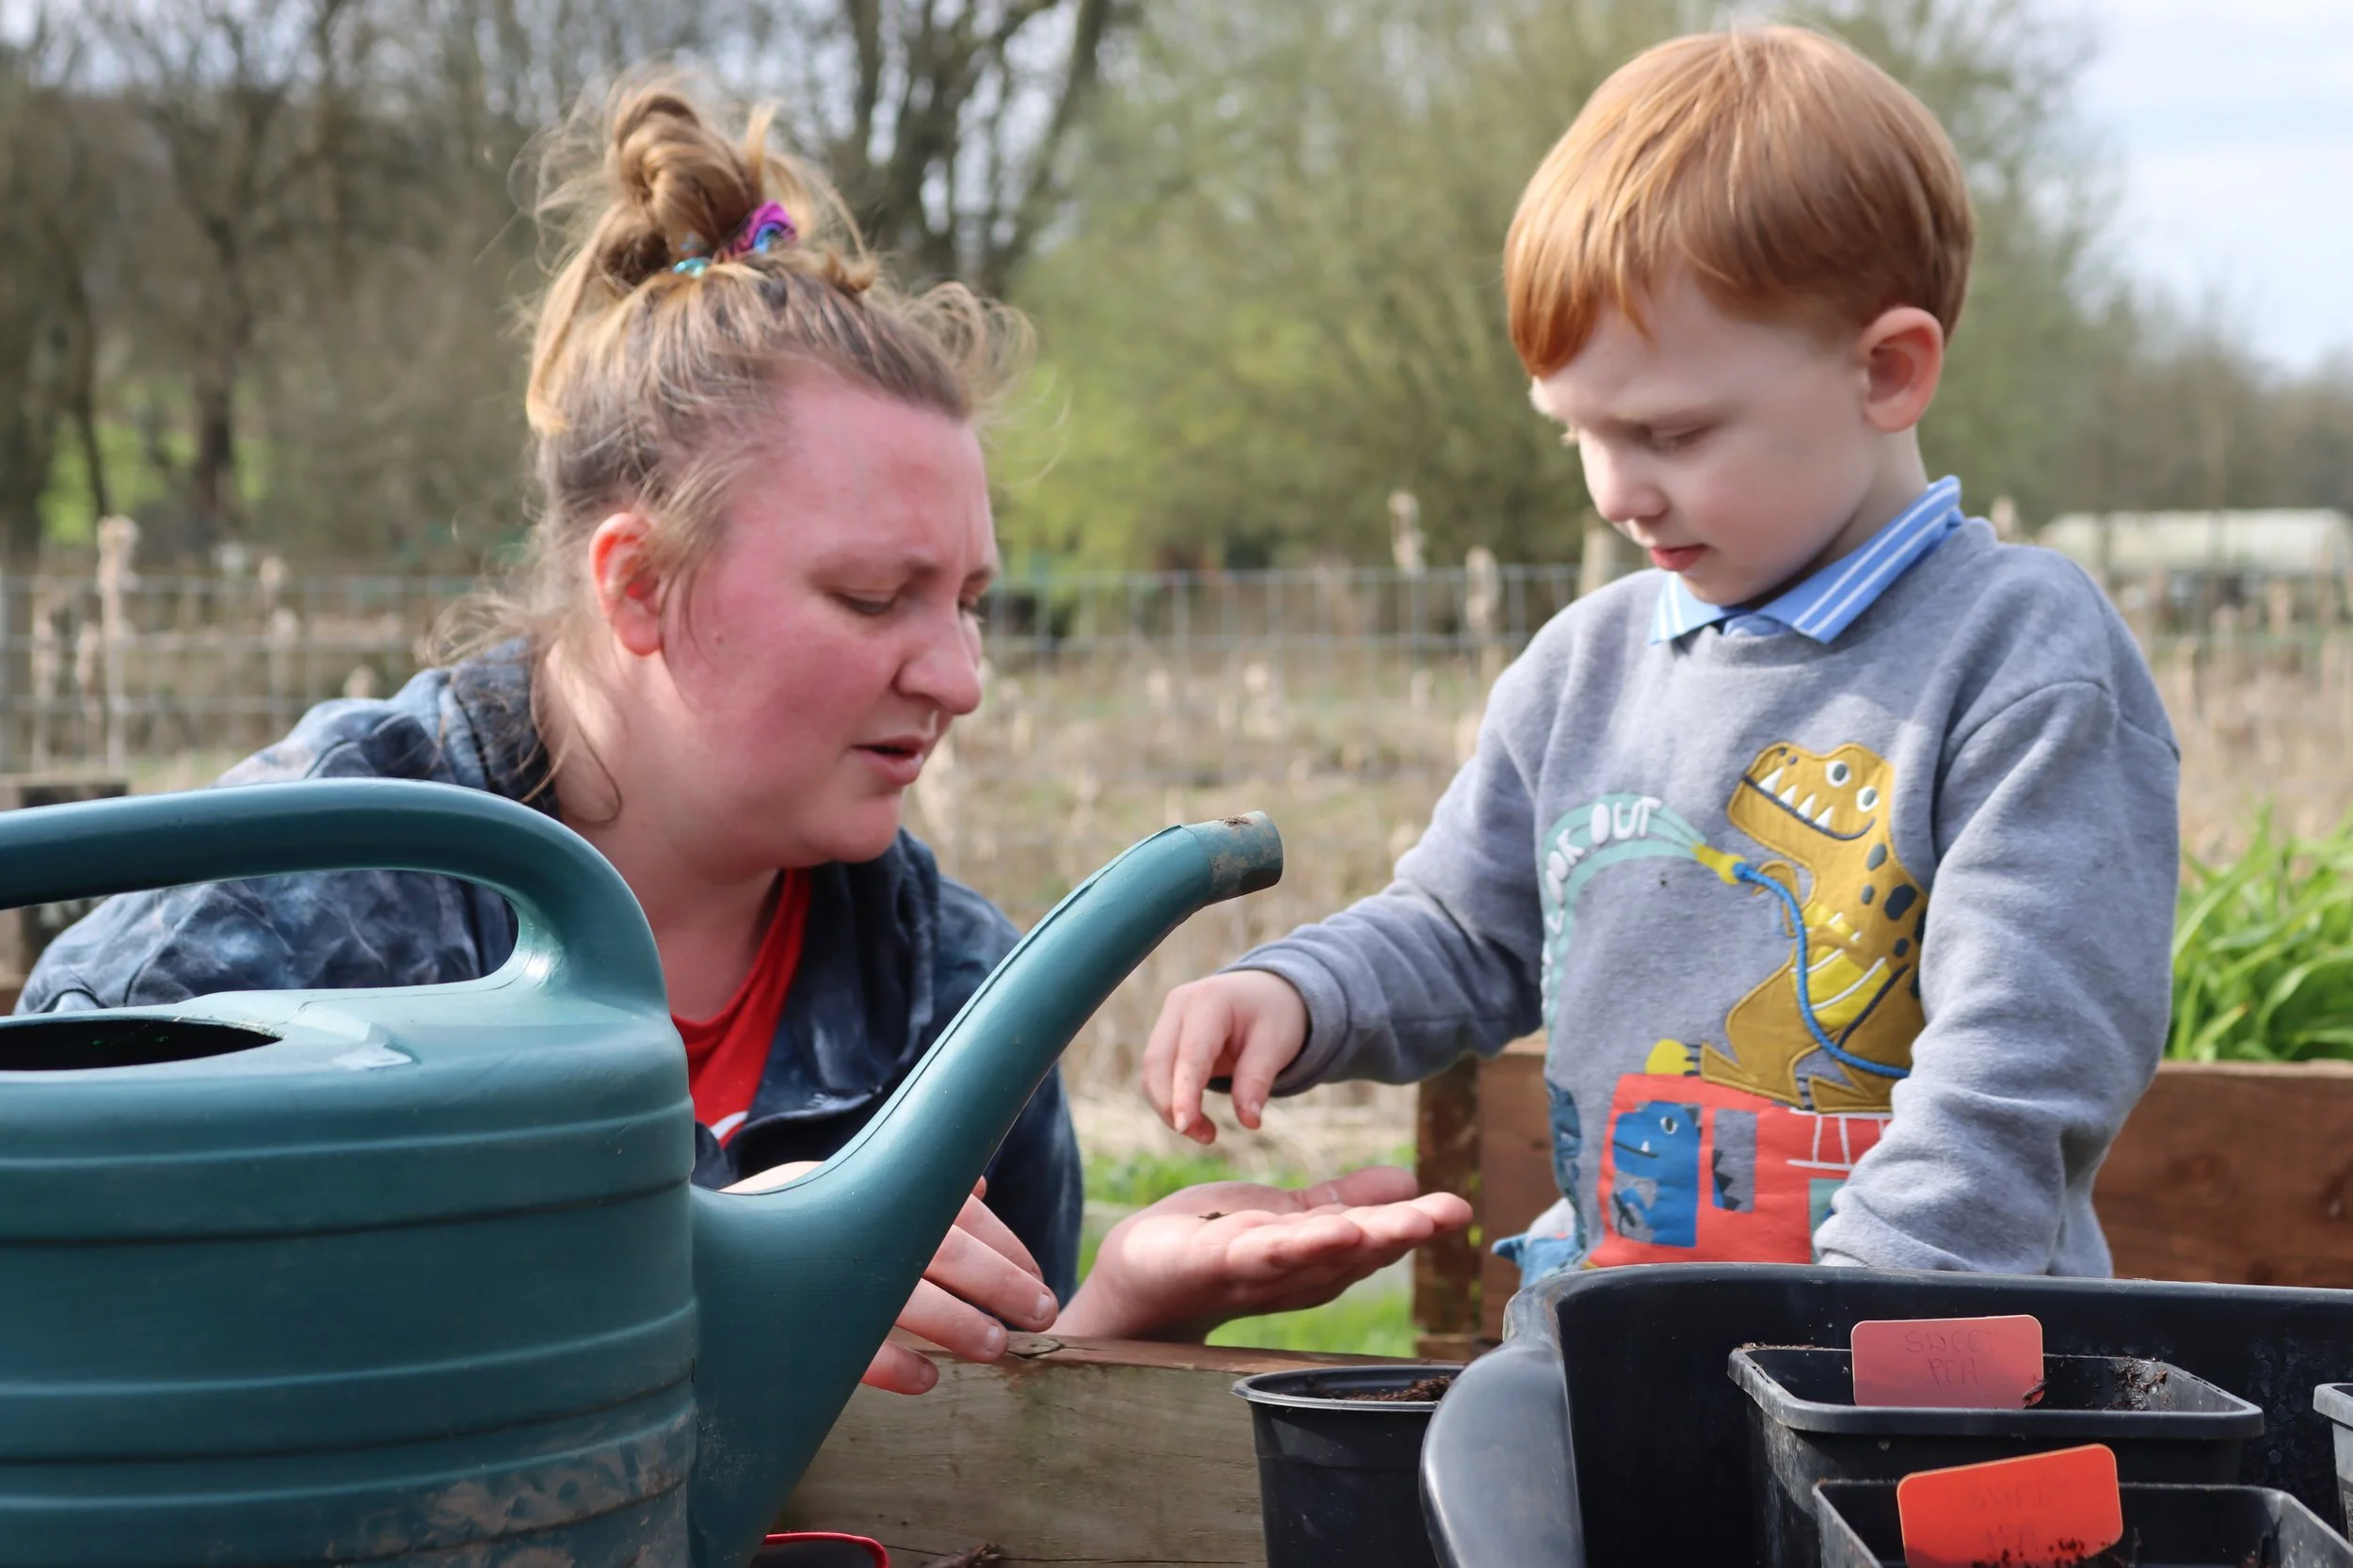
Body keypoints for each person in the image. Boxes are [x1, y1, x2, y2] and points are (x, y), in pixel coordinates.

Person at [19, 74, 1467, 1386]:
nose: (959, 676)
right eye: (874, 596)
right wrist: (682, 1268)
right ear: (640, 587)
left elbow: (972, 1482)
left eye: (968, 602)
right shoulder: (302, 916)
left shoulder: (950, 998)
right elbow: (78, 1337)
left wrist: (1121, 1317)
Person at [1143, 26, 2180, 1281]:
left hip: (1922, 1353)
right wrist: (1302, 994)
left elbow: (2030, 1046)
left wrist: (1856, 1317)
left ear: (1887, 371)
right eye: (1578, 434)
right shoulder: (1583, 669)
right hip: (1616, 1328)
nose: (1616, 492)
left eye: (1673, 434)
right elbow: (1465, 931)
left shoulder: (2018, 654)